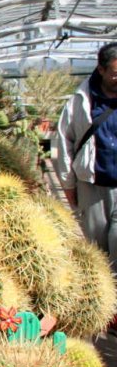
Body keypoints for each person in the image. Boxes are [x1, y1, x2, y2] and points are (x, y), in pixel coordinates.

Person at [54, 42, 117, 271]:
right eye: (115, 73)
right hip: (92, 186)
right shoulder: (81, 100)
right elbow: (63, 141)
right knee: (97, 251)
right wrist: (68, 186)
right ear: (101, 69)